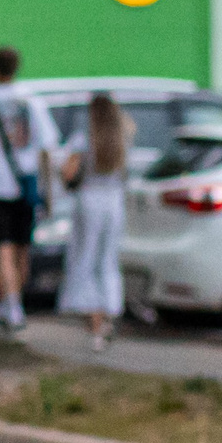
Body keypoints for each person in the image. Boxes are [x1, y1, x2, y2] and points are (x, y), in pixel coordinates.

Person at [0, 44, 61, 333]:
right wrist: (48, 191)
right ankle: (13, 303)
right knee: (22, 250)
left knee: (2, 250)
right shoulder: (32, 101)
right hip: (26, 184)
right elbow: (46, 148)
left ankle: (10, 305)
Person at [58, 92, 132, 351]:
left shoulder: (83, 139)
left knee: (86, 257)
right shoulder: (122, 138)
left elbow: (68, 172)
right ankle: (110, 310)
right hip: (114, 200)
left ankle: (96, 322)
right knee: (108, 259)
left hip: (90, 198)